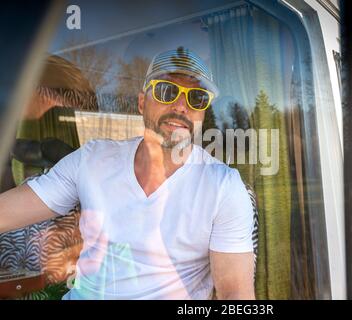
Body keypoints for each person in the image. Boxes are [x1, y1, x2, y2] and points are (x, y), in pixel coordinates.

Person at [0, 48, 255, 300]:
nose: (181, 106)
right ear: (142, 102)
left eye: (197, 98)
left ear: (202, 112)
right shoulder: (92, 159)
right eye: (167, 91)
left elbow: (235, 294)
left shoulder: (223, 186)